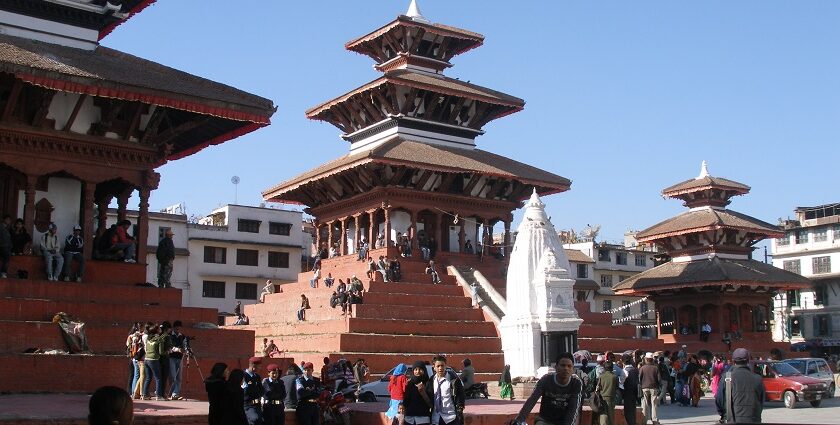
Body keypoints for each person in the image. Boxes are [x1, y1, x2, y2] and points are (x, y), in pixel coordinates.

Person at [515, 352, 583, 425]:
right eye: (562, 365)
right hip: (545, 420)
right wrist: (519, 420)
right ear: (556, 367)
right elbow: (532, 400)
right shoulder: (546, 379)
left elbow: (573, 408)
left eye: (569, 366)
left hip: (566, 421)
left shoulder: (576, 383)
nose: (566, 368)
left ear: (573, 369)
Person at [715, 348, 764, 424]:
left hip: (732, 420)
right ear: (748, 361)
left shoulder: (727, 378)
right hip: (753, 420)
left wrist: (724, 414)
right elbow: (761, 401)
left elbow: (719, 400)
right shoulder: (758, 378)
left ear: (733, 361)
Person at [427, 354, 465, 425]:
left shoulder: (454, 380)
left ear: (445, 366)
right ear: (434, 367)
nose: (440, 368)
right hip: (436, 417)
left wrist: (460, 410)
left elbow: (461, 396)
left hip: (451, 417)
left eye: (442, 365)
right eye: (438, 366)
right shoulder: (431, 381)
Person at [168, 320, 189, 400]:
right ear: (174, 328)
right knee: (173, 376)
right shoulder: (170, 335)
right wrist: (177, 349)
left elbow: (185, 345)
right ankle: (173, 392)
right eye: (176, 329)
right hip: (172, 357)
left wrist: (186, 350)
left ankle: (176, 393)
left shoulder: (182, 336)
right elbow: (169, 347)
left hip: (180, 358)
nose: (178, 330)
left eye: (179, 329)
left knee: (179, 377)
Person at [639, 353, 661, 425]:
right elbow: (659, 379)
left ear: (646, 359)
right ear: (652, 360)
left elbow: (639, 378)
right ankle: (654, 420)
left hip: (644, 387)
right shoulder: (656, 368)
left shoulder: (642, 368)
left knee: (645, 404)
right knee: (654, 404)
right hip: (654, 388)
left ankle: (644, 421)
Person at [594, 360, 618, 425]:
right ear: (612, 368)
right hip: (611, 399)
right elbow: (617, 387)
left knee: (603, 416)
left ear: (604, 368)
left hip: (602, 399)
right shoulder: (614, 377)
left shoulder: (601, 376)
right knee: (611, 417)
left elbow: (598, 388)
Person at [243, 357, 265, 425]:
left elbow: (262, 391)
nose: (260, 368)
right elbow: (246, 392)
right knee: (255, 419)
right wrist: (255, 390)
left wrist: (254, 390)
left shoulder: (257, 376)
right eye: (259, 366)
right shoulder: (244, 376)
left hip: (257, 405)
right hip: (248, 405)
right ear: (253, 366)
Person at [621, 354, 639, 425]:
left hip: (627, 393)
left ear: (623, 362)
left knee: (628, 412)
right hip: (635, 393)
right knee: (633, 410)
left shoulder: (624, 371)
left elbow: (621, 383)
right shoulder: (636, 370)